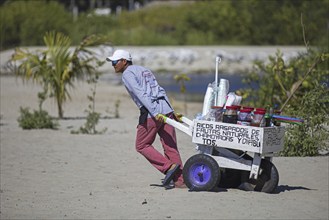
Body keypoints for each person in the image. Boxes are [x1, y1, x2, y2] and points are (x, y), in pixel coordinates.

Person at [106, 49, 186, 189]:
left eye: (114, 62)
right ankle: (181, 181)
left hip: (152, 112)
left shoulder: (127, 73)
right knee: (170, 146)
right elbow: (160, 90)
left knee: (141, 145)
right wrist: (171, 111)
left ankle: (168, 167)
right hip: (165, 109)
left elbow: (141, 94)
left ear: (124, 61)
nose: (113, 65)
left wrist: (155, 112)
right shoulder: (144, 69)